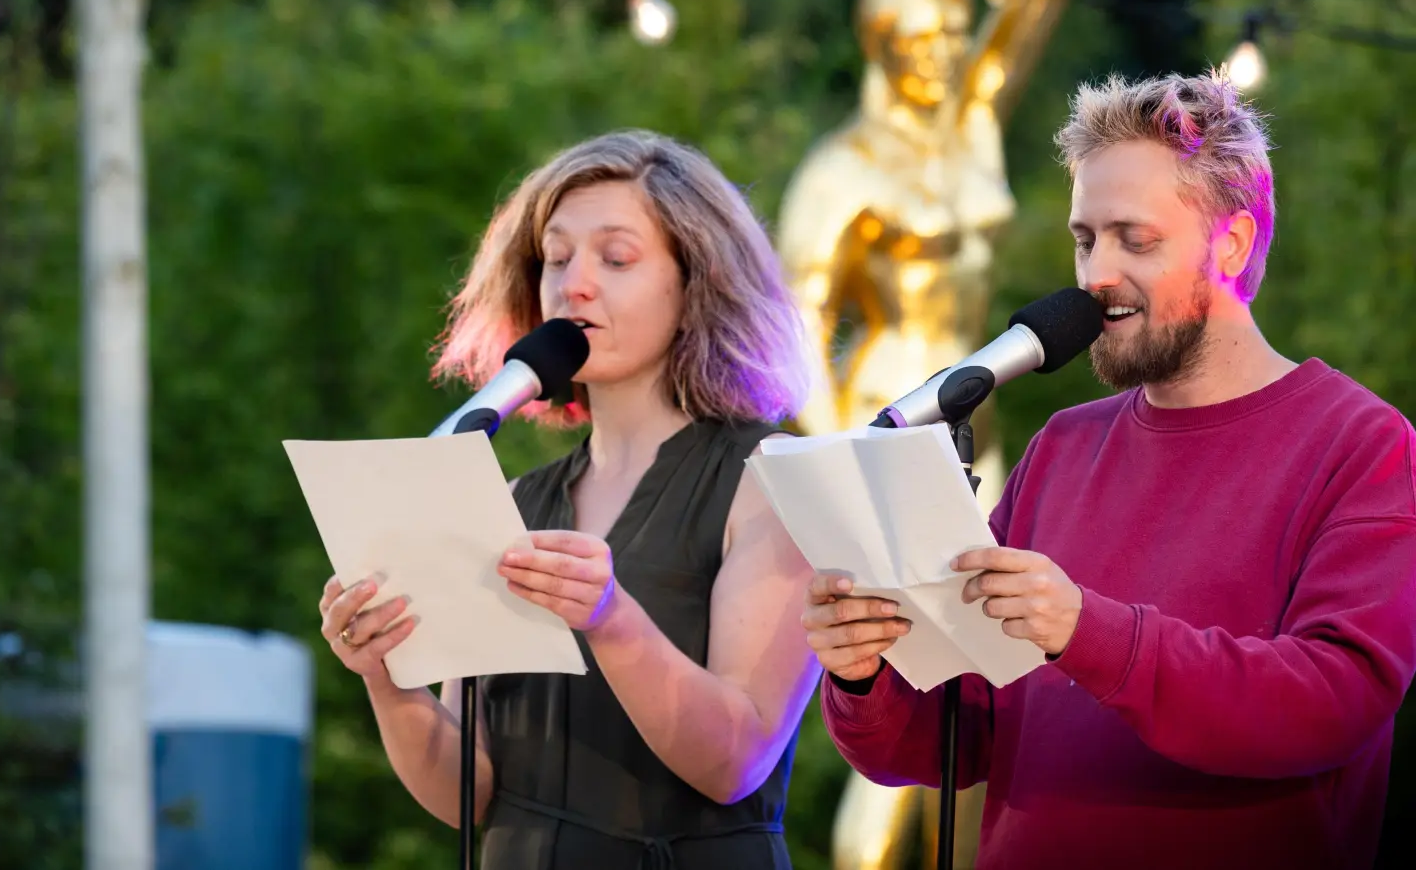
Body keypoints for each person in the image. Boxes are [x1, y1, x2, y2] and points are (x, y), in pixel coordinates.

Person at [804, 67, 1416, 869]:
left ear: (1228, 243)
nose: (1094, 274)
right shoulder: (1060, 446)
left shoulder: (1365, 444)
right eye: (1086, 237)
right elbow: (950, 739)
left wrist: (1088, 631)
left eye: (1136, 239)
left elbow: (1334, 704)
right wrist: (864, 672)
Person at [317, 130, 822, 869]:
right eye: (556, 258)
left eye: (615, 259)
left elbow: (735, 760)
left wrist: (610, 619)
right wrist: (386, 680)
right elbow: (474, 791)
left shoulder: (770, 480)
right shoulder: (517, 501)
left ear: (696, 284)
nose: (573, 285)